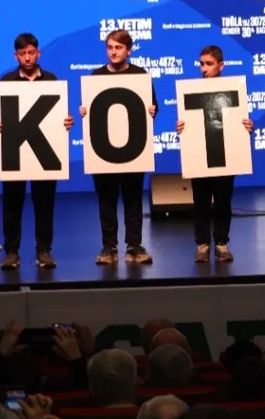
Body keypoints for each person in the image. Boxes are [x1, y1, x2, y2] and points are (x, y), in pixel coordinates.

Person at [0, 33, 74, 270]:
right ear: (15, 56)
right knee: (12, 205)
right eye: (22, 54)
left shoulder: (51, 80)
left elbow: (62, 112)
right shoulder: (7, 81)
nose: (27, 58)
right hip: (15, 151)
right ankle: (11, 252)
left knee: (44, 204)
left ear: (38, 53)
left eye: (31, 53)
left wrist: (67, 120)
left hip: (44, 152)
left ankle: (44, 251)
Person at [80, 29, 157, 265]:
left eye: (119, 48)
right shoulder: (96, 77)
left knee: (133, 199)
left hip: (132, 150)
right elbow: (90, 111)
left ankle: (134, 245)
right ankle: (109, 247)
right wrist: (84, 111)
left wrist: (152, 110)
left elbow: (152, 107)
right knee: (107, 200)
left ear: (128, 51)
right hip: (103, 151)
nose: (113, 52)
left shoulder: (140, 76)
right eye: (110, 47)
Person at [175, 45, 253, 263]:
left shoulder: (232, 89)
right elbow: (190, 123)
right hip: (200, 155)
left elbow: (237, 121)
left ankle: (221, 243)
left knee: (223, 201)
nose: (204, 68)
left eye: (209, 64)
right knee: (200, 202)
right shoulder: (192, 89)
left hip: (225, 155)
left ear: (221, 65)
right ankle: (202, 244)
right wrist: (182, 127)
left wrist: (247, 126)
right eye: (201, 64)